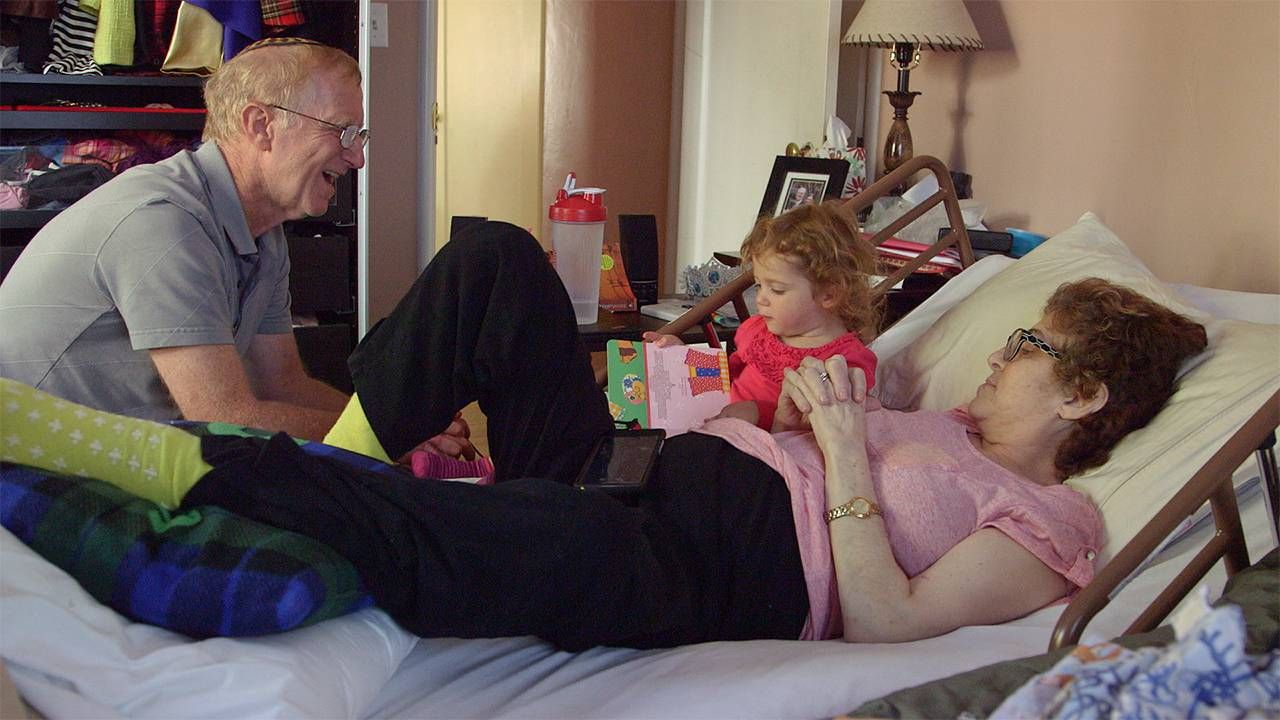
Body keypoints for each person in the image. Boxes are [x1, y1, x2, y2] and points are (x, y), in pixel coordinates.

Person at [0, 223, 1209, 651]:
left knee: (454, 540)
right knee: (494, 261)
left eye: (1025, 349)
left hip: (697, 568)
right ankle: (343, 459)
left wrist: (842, 459)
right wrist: (748, 408)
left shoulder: (1052, 526)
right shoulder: (930, 410)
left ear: (1087, 400)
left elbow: (888, 622)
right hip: (637, 464)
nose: (997, 357)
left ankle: (168, 465)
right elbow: (776, 413)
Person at [0, 38, 472, 458]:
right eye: (343, 131)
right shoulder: (165, 220)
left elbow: (281, 384)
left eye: (360, 136)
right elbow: (222, 415)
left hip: (116, 453)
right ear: (261, 125)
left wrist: (397, 429)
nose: (358, 157)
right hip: (33, 467)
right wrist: (389, 437)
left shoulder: (264, 233)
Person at [645, 201, 880, 430]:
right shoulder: (758, 330)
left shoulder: (845, 362)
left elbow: (822, 429)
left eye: (776, 289)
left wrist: (759, 413)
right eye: (758, 285)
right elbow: (724, 375)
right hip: (712, 427)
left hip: (761, 451)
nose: (761, 299)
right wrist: (681, 359)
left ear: (829, 294)